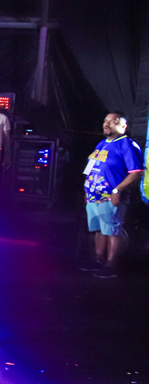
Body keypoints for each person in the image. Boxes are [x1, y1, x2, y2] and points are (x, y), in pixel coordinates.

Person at [82, 111, 144, 278]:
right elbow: (92, 168)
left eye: (113, 121)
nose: (107, 124)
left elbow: (136, 172)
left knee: (112, 230)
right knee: (99, 229)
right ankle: (98, 260)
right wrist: (87, 190)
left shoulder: (127, 145)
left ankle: (111, 265)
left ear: (123, 126)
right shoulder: (102, 144)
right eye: (105, 121)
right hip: (94, 196)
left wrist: (118, 190)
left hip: (111, 196)